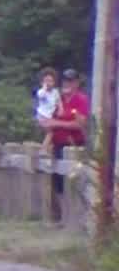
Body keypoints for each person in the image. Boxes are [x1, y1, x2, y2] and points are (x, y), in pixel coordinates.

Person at [42, 68, 90, 224]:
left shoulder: (80, 99)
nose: (67, 84)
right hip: (57, 143)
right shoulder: (58, 99)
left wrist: (57, 123)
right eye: (65, 81)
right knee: (58, 180)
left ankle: (77, 216)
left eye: (70, 81)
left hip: (74, 145)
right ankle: (63, 216)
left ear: (76, 83)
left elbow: (80, 123)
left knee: (74, 179)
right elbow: (48, 119)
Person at [34, 66, 60, 131]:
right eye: (46, 81)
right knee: (51, 131)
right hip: (41, 115)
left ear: (54, 82)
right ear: (42, 82)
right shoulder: (41, 91)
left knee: (54, 129)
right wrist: (44, 88)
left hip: (50, 116)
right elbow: (41, 95)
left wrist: (60, 108)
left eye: (50, 81)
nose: (48, 83)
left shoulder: (55, 92)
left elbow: (58, 101)